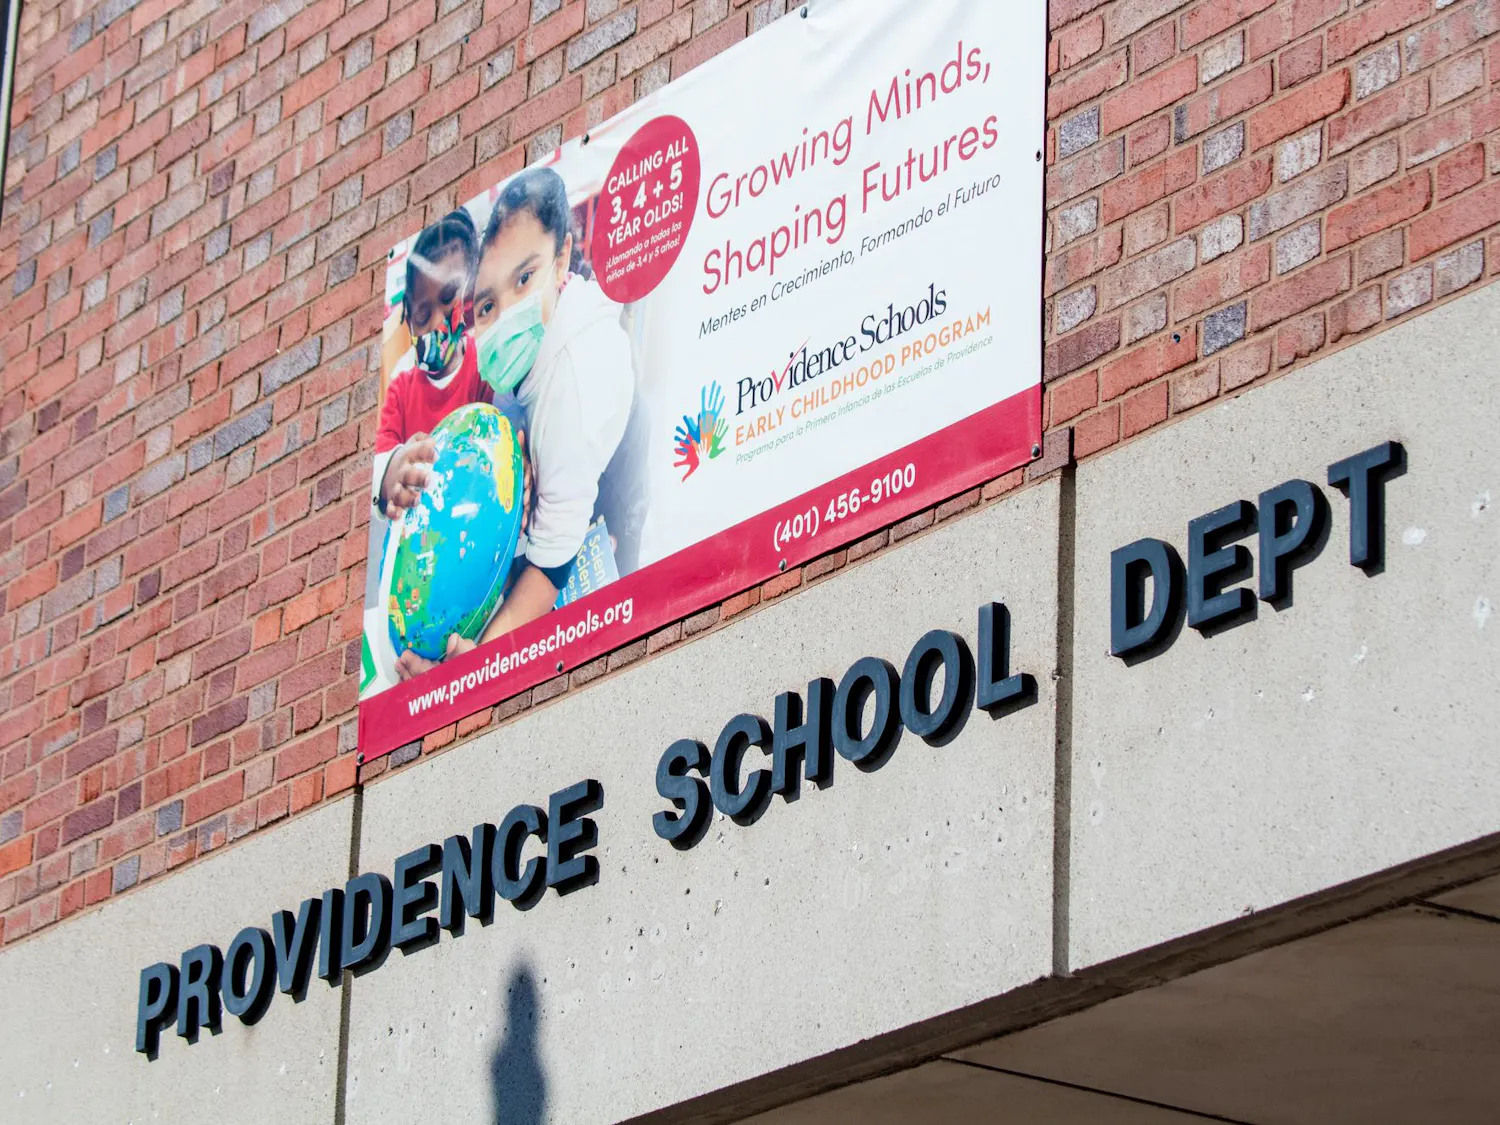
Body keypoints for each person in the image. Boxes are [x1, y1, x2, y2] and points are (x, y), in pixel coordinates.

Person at [395, 167, 641, 679]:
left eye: (524, 280)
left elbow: (552, 569)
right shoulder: (506, 355)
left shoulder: (576, 385)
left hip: (609, 501)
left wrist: (474, 666)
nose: (505, 314)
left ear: (561, 261)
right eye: (486, 305)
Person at [372, 209, 486, 517]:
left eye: (448, 298)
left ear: (469, 292)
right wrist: (390, 473)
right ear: (408, 319)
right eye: (423, 315)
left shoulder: (484, 366)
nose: (437, 323)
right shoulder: (401, 384)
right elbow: (379, 464)